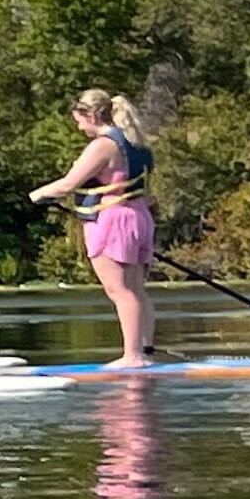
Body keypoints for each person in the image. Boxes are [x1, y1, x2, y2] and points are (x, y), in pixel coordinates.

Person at [30, 88, 159, 366]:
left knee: (120, 291)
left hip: (113, 219)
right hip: (138, 216)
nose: (78, 125)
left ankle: (132, 357)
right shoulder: (135, 141)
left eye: (79, 119)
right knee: (135, 288)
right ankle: (145, 352)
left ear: (90, 114)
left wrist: (36, 195)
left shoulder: (103, 145)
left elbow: (68, 183)